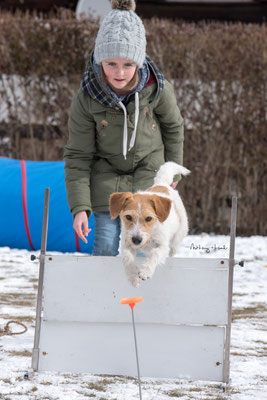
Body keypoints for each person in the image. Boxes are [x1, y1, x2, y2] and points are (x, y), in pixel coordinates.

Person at [63, 0, 184, 256]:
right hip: (107, 181)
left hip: (148, 174)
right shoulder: (86, 98)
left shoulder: (158, 91)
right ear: (99, 61)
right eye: (111, 64)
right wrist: (80, 207)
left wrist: (171, 172)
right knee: (107, 244)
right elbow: (78, 156)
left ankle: (145, 294)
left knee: (146, 246)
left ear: (139, 63)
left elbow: (174, 128)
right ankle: (102, 296)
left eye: (128, 64)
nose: (120, 73)